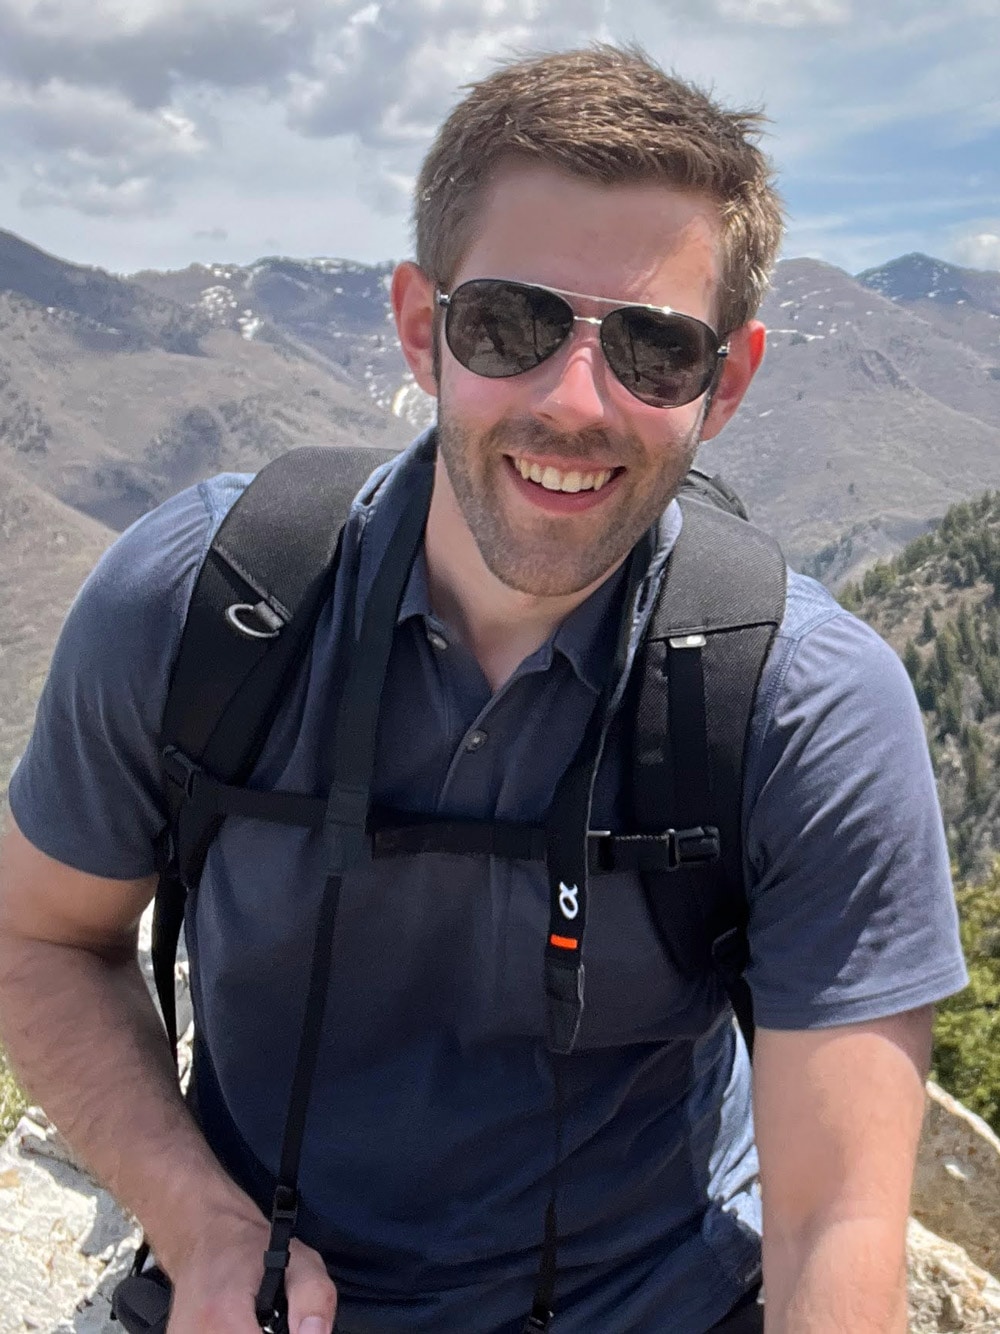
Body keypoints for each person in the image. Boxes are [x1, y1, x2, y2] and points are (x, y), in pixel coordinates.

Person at [0, 44, 967, 1334]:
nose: (576, 401)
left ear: (726, 384)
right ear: (423, 329)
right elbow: (39, 935)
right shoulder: (205, 603)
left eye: (655, 349)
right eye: (512, 325)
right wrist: (202, 1227)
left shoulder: (803, 706)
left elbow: (832, 1220)